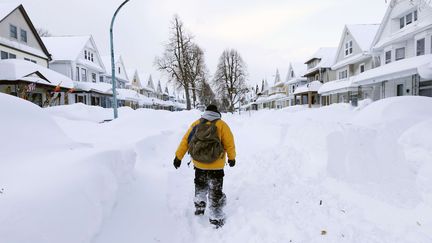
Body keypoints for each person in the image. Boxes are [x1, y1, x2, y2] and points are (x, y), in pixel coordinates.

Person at [174, 104, 236, 228]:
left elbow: (185, 141)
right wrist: (232, 158)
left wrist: (178, 157)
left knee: (200, 184)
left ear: (205, 112)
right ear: (217, 112)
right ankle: (215, 217)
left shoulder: (196, 123)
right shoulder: (222, 125)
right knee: (215, 190)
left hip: (199, 163)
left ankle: (200, 204)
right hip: (216, 165)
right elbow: (229, 143)